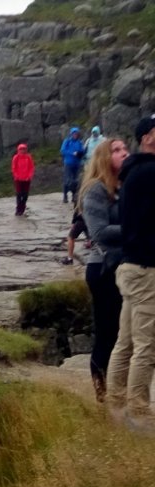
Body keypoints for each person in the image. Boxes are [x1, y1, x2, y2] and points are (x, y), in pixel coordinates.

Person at [109, 115, 155, 426]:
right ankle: (139, 414)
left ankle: (114, 406)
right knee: (146, 345)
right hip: (146, 268)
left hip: (129, 266)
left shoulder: (132, 172)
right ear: (149, 137)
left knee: (125, 342)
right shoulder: (151, 171)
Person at [81, 136, 129, 403]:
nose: (125, 152)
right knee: (107, 334)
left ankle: (121, 394)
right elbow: (99, 232)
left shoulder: (126, 187)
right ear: (103, 157)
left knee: (127, 334)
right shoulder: (95, 189)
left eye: (125, 148)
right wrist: (138, 230)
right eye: (117, 150)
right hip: (102, 270)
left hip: (127, 267)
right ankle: (101, 397)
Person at [61, 126, 86, 204]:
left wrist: (80, 153)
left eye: (76, 133)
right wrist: (72, 153)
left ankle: (74, 196)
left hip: (77, 164)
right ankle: (65, 195)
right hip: (68, 163)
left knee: (76, 180)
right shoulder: (67, 141)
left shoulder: (79, 142)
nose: (75, 135)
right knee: (68, 180)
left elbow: (82, 151)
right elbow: (63, 150)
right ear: (71, 134)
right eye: (74, 133)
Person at [11, 143, 35, 216]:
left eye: (24, 149)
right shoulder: (16, 157)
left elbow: (31, 167)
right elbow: (13, 168)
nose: (22, 151)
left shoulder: (28, 157)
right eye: (21, 149)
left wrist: (29, 176)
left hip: (27, 179)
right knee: (19, 194)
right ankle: (18, 209)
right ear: (18, 150)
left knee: (25, 195)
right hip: (18, 179)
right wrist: (16, 176)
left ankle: (22, 207)